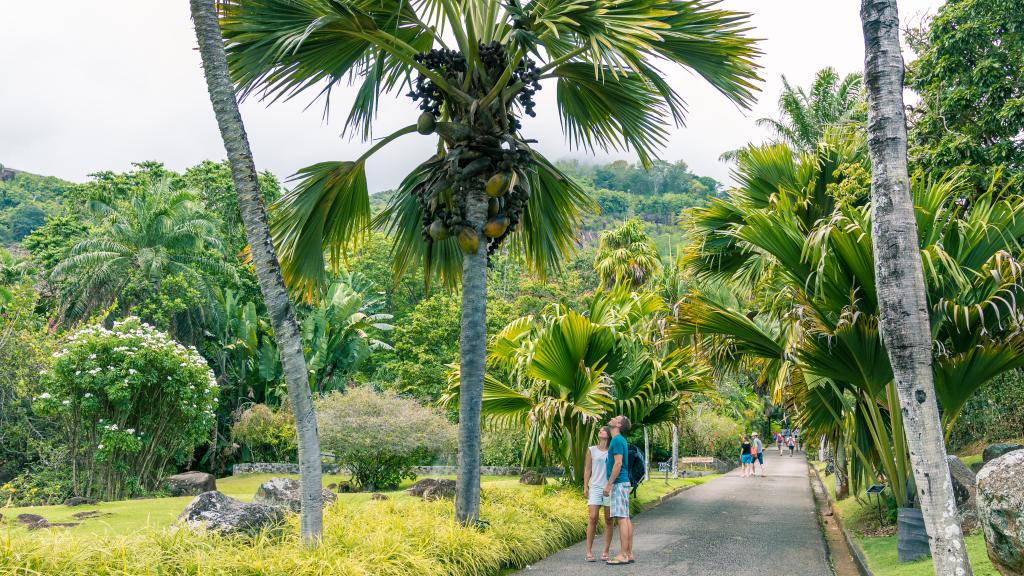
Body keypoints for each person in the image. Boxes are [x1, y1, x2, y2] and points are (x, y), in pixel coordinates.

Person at [604, 415, 634, 565]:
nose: (612, 417)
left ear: (618, 424)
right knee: (626, 518)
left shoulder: (616, 440)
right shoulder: (620, 440)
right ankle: (629, 553)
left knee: (622, 519)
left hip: (619, 483)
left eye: (616, 418)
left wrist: (609, 484)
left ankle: (623, 554)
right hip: (623, 483)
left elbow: (618, 464)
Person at [583, 426, 614, 562]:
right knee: (593, 517)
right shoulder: (592, 450)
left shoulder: (612, 451)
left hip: (609, 487)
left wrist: (611, 485)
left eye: (603, 430)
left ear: (608, 435)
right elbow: (587, 469)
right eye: (600, 431)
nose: (600, 432)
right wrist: (585, 487)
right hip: (595, 486)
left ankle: (605, 551)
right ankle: (589, 551)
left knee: (608, 519)